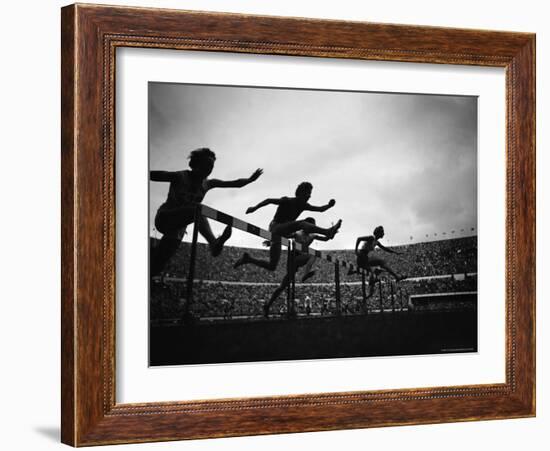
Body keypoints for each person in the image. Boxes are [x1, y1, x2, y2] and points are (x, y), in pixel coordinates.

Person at [150, 147, 263, 277]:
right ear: (196, 164)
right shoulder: (180, 176)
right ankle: (213, 243)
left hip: (177, 229)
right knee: (199, 209)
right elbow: (155, 175)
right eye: (207, 164)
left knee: (157, 266)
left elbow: (234, 183)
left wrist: (250, 180)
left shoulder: (207, 184)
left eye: (212, 166)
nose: (210, 168)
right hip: (165, 218)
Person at [233, 182, 342, 272]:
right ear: (300, 193)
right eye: (307, 193)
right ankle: (327, 231)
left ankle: (248, 259)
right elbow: (269, 200)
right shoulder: (287, 200)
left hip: (283, 233)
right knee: (301, 224)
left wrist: (329, 205)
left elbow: (320, 209)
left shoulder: (304, 205)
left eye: (310, 193)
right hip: (276, 227)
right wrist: (254, 208)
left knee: (272, 266)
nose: (309, 196)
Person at [262, 217, 333, 318]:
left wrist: (332, 232)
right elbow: (286, 236)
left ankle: (268, 305)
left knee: (283, 285)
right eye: (310, 226)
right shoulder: (298, 233)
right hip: (292, 257)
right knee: (284, 285)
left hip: (300, 259)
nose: (312, 229)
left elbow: (326, 239)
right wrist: (272, 241)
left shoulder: (313, 235)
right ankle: (305, 273)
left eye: (313, 227)